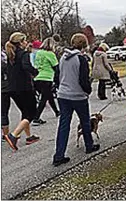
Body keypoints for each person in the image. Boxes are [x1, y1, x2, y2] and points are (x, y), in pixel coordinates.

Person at [53, 33, 100, 167]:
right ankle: (89, 145)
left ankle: (59, 155)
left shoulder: (63, 57)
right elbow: (83, 80)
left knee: (64, 124)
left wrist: (60, 87)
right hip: (78, 96)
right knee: (85, 121)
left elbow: (57, 76)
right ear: (84, 45)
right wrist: (88, 90)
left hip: (63, 95)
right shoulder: (81, 59)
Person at [3, 32, 40, 151]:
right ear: (20, 43)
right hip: (24, 87)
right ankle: (13, 135)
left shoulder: (10, 55)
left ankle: (29, 137)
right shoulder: (23, 54)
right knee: (32, 113)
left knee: (25, 112)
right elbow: (26, 66)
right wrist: (35, 72)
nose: (26, 43)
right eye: (24, 41)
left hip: (12, 88)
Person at [32, 37, 60, 126]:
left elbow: (35, 65)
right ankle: (36, 117)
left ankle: (56, 111)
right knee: (44, 98)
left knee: (49, 95)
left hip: (38, 77)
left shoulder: (39, 53)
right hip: (47, 78)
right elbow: (56, 67)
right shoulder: (50, 54)